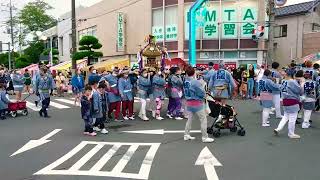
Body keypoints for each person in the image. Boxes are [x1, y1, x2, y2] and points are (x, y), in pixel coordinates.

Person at [183, 66, 214, 143]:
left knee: (189, 120)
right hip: (197, 103)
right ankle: (204, 137)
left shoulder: (185, 81)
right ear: (194, 73)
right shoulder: (195, 82)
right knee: (203, 120)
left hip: (189, 103)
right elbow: (202, 92)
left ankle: (186, 134)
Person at [274, 70, 303, 139]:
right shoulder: (292, 81)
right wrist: (301, 83)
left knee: (285, 116)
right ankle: (291, 133)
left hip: (285, 100)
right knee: (292, 118)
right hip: (292, 100)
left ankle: (278, 128)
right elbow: (300, 91)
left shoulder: (284, 81)